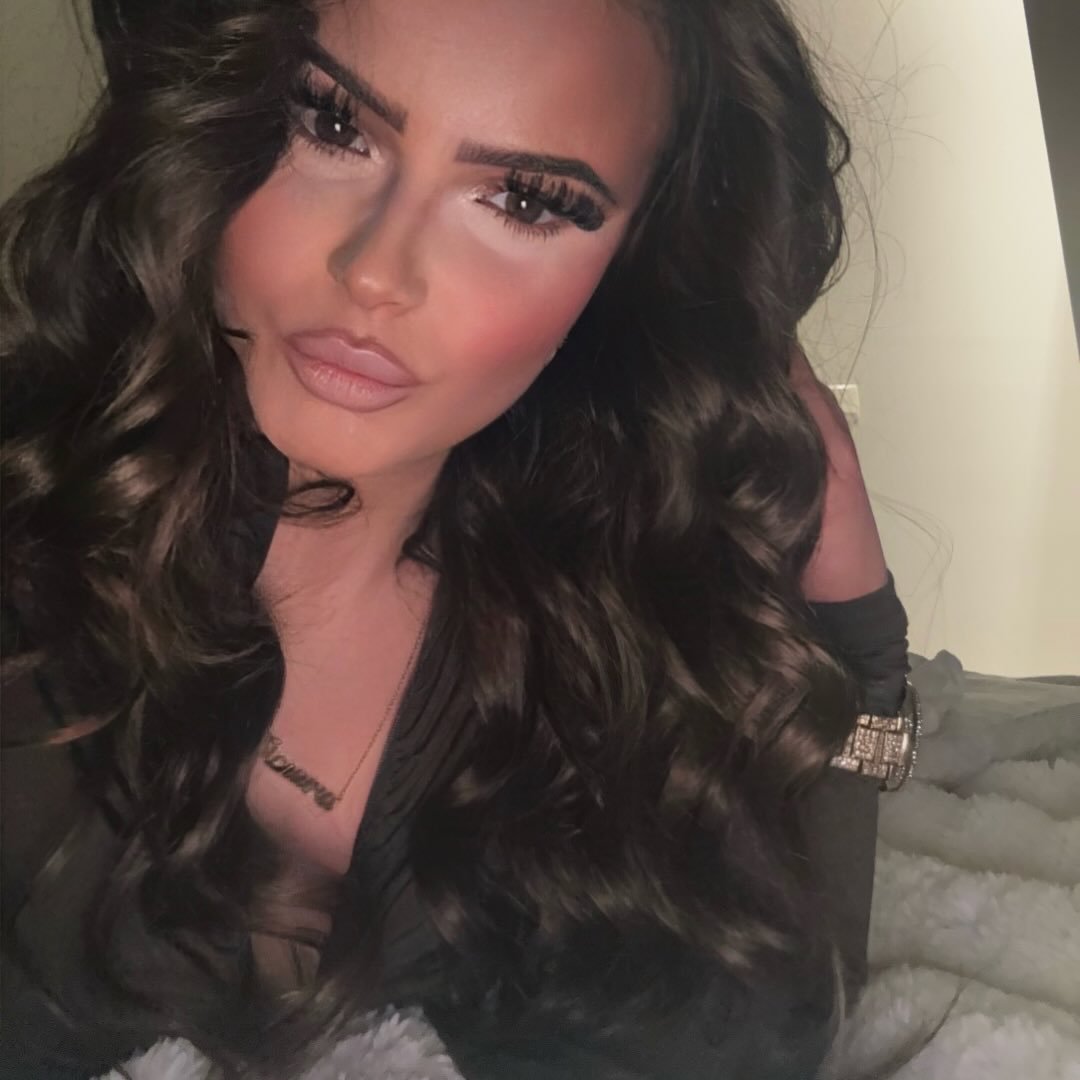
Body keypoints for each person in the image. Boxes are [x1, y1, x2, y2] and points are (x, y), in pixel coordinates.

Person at [0, 0, 910, 1076]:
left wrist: (858, 642)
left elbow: (756, 1018)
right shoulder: (37, 532)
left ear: (631, 265)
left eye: (526, 200)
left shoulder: (602, 636)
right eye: (331, 123)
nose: (376, 272)